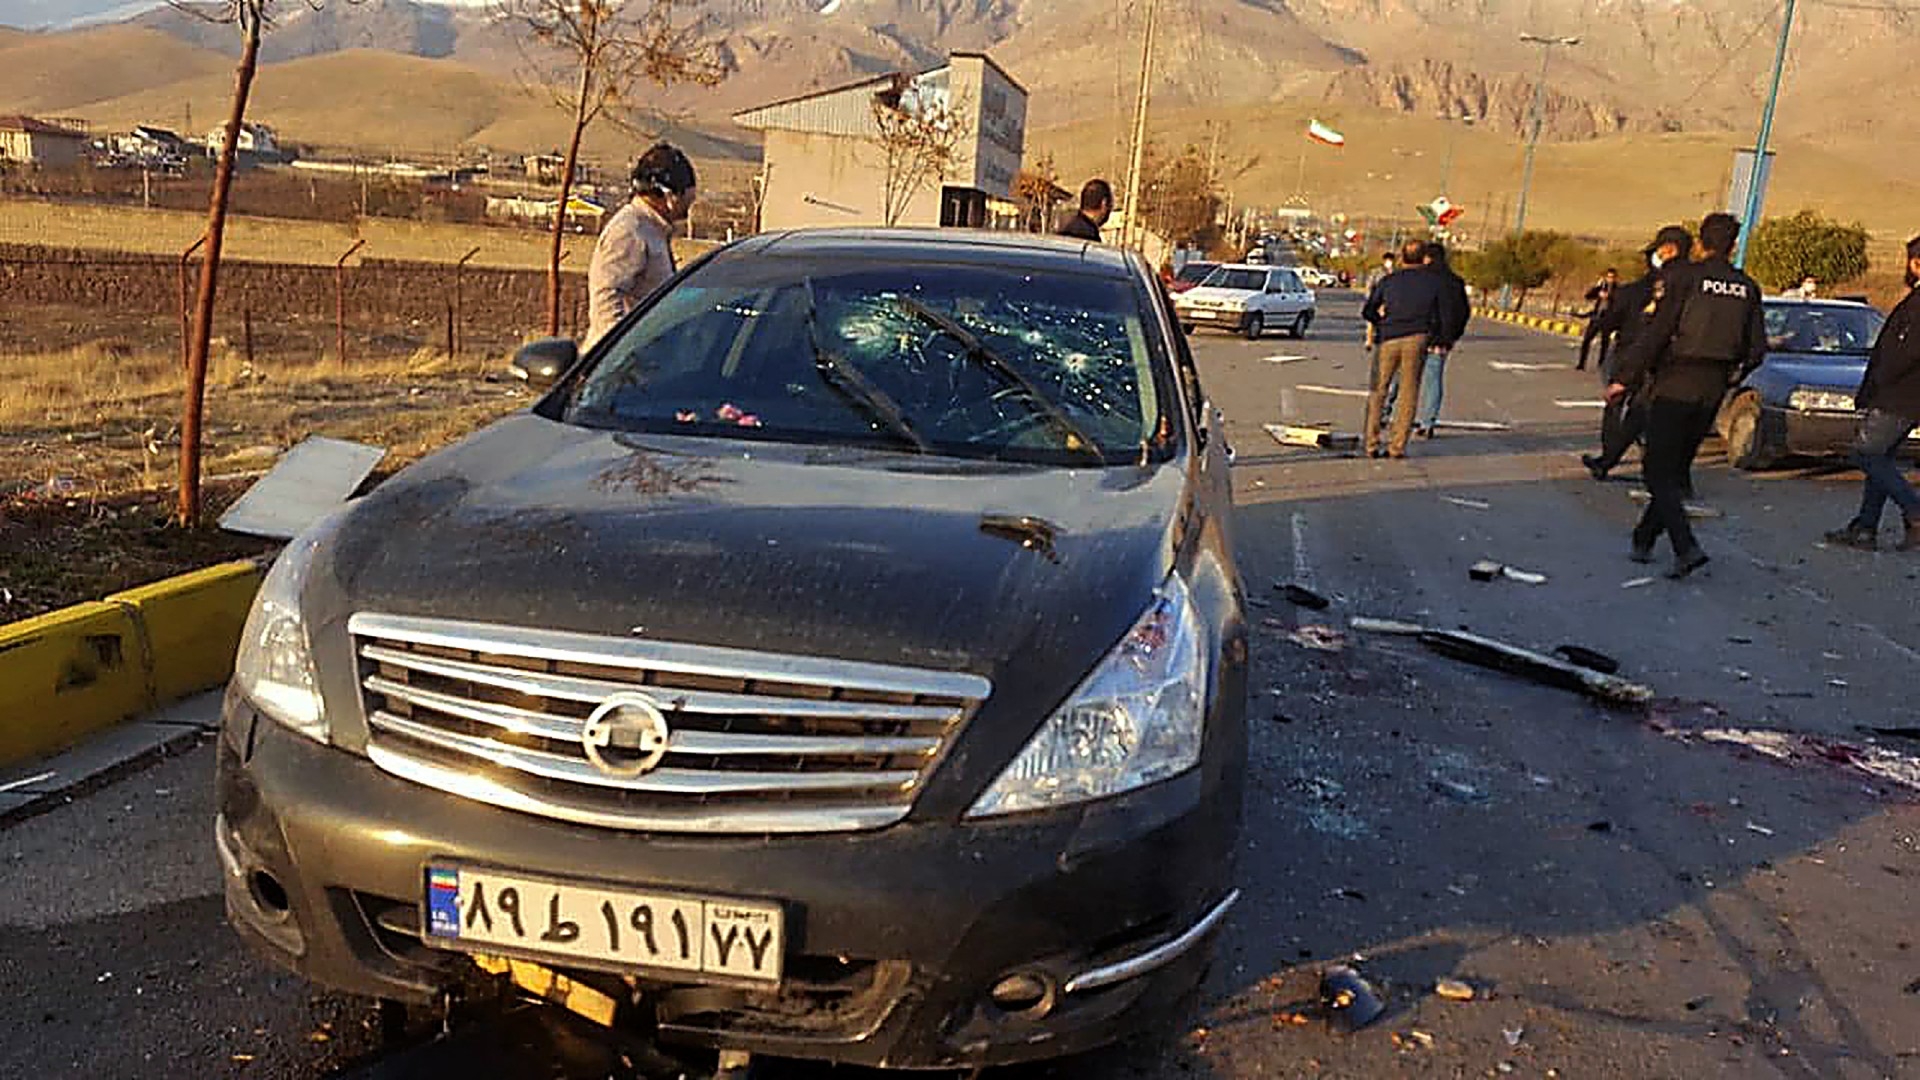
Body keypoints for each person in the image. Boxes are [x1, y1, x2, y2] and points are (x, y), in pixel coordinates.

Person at [1609, 213, 1765, 579]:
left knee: (1655, 469)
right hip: (1713, 387)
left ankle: (1685, 546)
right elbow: (1757, 349)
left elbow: (1658, 333)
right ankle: (1645, 537)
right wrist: (1731, 376)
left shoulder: (1685, 278)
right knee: (1675, 469)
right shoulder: (1747, 287)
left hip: (1676, 381)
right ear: (1734, 245)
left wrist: (1624, 378)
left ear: (1700, 243)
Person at [1822, 234, 1920, 552]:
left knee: (1866, 454)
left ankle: (1915, 510)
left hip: (1899, 396)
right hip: (1903, 395)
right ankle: (1865, 527)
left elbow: (1904, 353)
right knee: (1882, 457)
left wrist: (1880, 381)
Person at [1584, 227, 1693, 481]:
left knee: (1617, 406)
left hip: (1632, 354)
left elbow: (1611, 321)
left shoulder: (1637, 290)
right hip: (1668, 360)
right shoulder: (1692, 282)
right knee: (1644, 411)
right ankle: (1645, 463)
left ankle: (1609, 455)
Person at [587, 143, 696, 348]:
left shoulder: (653, 230)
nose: (686, 212)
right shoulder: (630, 231)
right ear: (669, 195)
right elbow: (606, 298)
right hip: (624, 368)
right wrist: (620, 352)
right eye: (686, 200)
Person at [1362, 239, 1445, 458]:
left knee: (1378, 391)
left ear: (1402, 257)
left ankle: (1371, 443)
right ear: (1423, 258)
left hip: (1388, 337)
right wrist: (1434, 336)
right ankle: (1397, 446)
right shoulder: (1433, 284)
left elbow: (1368, 309)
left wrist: (1380, 323)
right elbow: (1440, 315)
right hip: (1417, 338)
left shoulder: (1390, 281)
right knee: (1409, 393)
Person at [1414, 240, 1471, 437]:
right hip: (1441, 340)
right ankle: (1428, 422)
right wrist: (1453, 335)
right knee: (1433, 380)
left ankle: (1387, 414)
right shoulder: (1455, 282)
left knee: (1402, 379)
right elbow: (1464, 312)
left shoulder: (1421, 278)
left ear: (1426, 257)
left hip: (1417, 335)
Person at [1578, 267, 1621, 371]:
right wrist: (1597, 291)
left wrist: (1609, 296)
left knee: (1605, 343)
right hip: (1596, 316)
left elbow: (1620, 301)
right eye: (1608, 277)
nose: (1610, 279)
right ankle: (1581, 363)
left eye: (1612, 277)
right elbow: (1588, 296)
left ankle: (1601, 364)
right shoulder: (1601, 286)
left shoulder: (1618, 289)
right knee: (1587, 340)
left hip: (1608, 318)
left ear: (1615, 278)